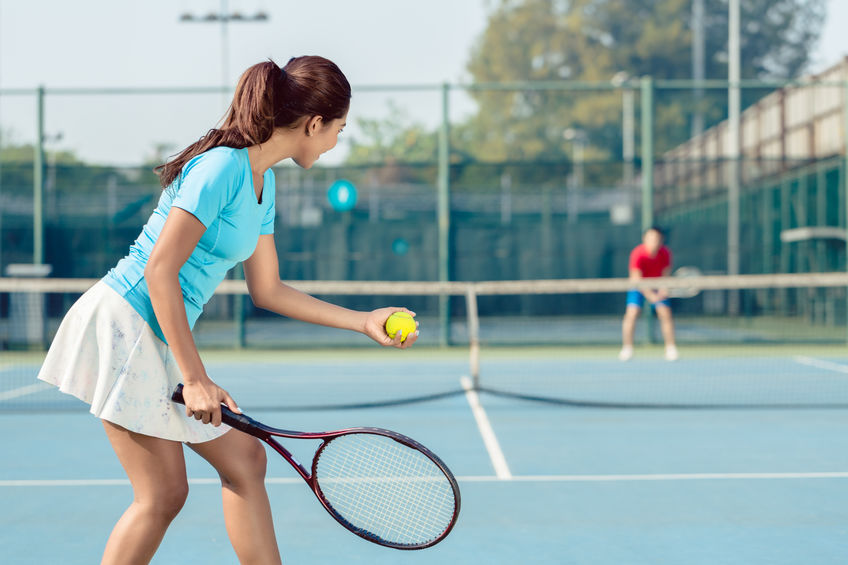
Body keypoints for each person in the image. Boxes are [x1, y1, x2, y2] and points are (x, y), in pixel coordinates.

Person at [36, 56, 418, 565]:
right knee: (162, 495)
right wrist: (195, 379)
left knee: (244, 459)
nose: (334, 144)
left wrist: (362, 320)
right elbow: (159, 271)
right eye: (338, 131)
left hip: (157, 330)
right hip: (125, 322)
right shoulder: (220, 167)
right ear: (313, 124)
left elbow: (270, 290)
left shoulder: (264, 182)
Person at [619, 226, 678, 362]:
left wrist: (663, 290)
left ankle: (670, 348)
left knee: (665, 313)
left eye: (657, 238)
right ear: (644, 239)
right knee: (631, 313)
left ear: (661, 240)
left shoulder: (665, 253)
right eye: (650, 238)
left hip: (657, 285)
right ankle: (627, 348)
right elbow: (636, 278)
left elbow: (665, 275)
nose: (654, 241)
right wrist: (650, 295)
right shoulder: (637, 253)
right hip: (638, 286)